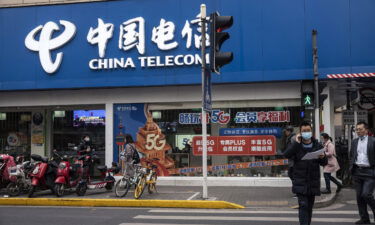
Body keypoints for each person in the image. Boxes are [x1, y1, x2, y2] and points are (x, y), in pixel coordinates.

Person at [284, 121, 327, 225]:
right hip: (300, 181)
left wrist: (323, 157)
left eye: (308, 130)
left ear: (311, 131)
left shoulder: (317, 144)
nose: (306, 133)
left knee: (309, 208)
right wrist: (296, 143)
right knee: (303, 206)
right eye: (304, 131)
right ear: (300, 132)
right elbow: (286, 154)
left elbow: (324, 163)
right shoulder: (297, 145)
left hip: (313, 181)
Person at [350, 121, 375, 225]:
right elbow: (351, 155)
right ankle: (364, 219)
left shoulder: (373, 141)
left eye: (360, 129)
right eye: (357, 129)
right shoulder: (354, 141)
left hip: (369, 172)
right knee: (359, 197)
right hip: (357, 171)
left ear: (366, 130)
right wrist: (351, 167)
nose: (358, 131)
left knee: (366, 195)